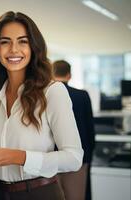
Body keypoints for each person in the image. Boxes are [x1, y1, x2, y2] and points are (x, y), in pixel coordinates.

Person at [0, 11, 83, 200]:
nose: (14, 49)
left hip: (39, 193)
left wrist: (18, 156)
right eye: (5, 42)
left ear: (33, 47)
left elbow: (74, 158)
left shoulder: (52, 92)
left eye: (23, 41)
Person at [53, 60, 95, 200]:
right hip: (79, 157)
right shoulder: (82, 95)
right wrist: (89, 156)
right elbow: (90, 128)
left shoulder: (47, 95)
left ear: (52, 74)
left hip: (53, 157)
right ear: (69, 75)